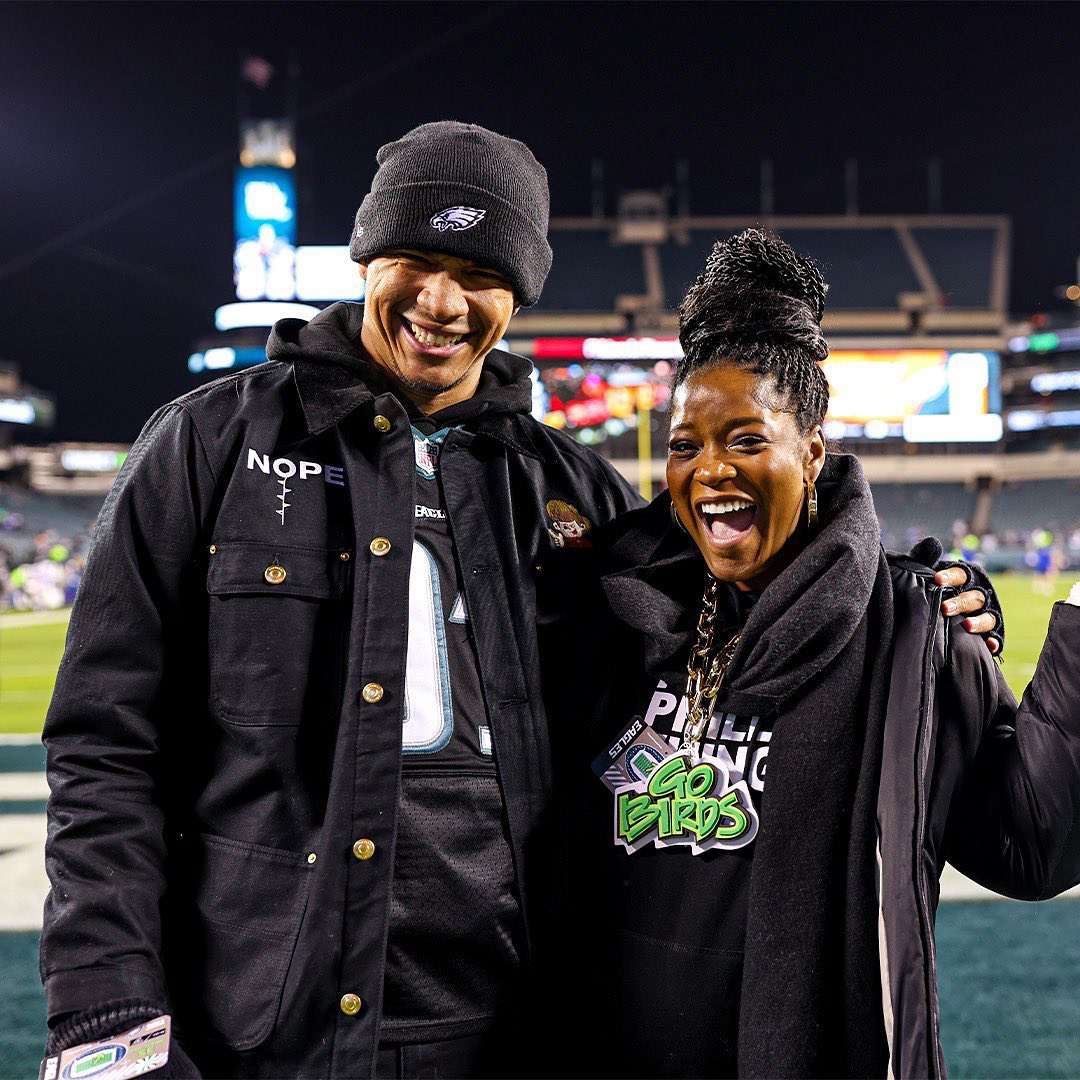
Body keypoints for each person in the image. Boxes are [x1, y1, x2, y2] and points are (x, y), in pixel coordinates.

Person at [38, 125, 997, 1079]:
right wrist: (107, 1012)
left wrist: (916, 599)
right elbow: (105, 743)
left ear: (518, 294)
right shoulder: (206, 446)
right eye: (415, 258)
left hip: (516, 1030)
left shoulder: (575, 493)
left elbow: (750, 618)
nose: (442, 301)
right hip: (261, 1029)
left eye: (478, 272)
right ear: (368, 254)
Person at [567, 229, 1079, 1079]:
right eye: (687, 444)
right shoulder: (609, 616)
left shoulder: (908, 630)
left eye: (744, 439)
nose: (709, 471)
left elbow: (1031, 846)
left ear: (810, 453)